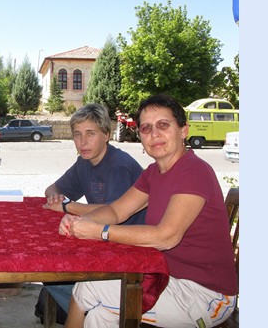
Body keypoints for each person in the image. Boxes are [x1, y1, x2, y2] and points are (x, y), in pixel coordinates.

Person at [59, 94, 238, 328]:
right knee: (97, 315)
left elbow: (167, 236)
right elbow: (116, 211)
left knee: (89, 286)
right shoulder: (154, 172)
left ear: (184, 130)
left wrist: (101, 232)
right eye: (146, 128)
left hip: (206, 294)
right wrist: (77, 220)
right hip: (165, 276)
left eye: (163, 125)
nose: (154, 134)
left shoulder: (194, 171)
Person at [35, 103, 147, 324]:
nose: (82, 142)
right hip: (103, 241)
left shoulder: (119, 166)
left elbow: (114, 210)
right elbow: (52, 189)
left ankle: (105, 313)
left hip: (130, 251)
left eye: (90, 134)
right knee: (49, 273)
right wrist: (57, 198)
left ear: (106, 135)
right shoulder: (84, 162)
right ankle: (91, 313)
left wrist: (68, 207)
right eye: (77, 134)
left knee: (55, 274)